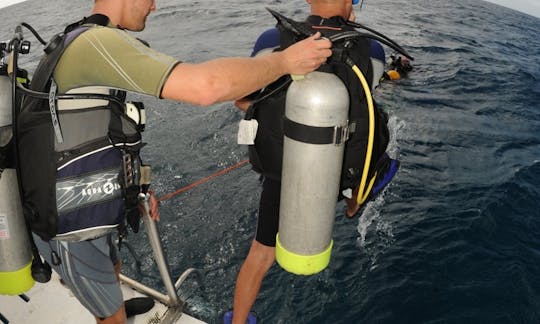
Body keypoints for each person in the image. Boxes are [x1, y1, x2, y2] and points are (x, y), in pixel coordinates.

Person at [14, 0, 332, 323]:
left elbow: (94, 133)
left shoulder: (89, 38)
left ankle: (114, 303)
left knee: (113, 269)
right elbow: (206, 87)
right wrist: (285, 61)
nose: (154, 7)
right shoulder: (95, 43)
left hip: (91, 205)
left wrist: (133, 187)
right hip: (69, 226)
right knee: (110, 318)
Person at [228, 0, 400, 322]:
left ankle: (238, 320)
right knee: (380, 150)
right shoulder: (372, 50)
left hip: (284, 170)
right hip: (342, 171)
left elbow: (243, 100)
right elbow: (363, 109)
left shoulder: (271, 41)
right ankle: (354, 202)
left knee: (260, 254)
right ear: (352, 2)